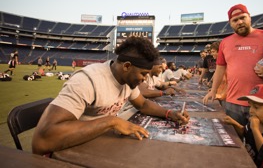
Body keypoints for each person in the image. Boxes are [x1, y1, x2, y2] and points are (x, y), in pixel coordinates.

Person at [32, 36, 189, 155]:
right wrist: (111, 122)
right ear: (127, 66)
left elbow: (143, 104)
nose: (145, 79)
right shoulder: (87, 80)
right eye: (143, 74)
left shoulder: (127, 81)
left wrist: (169, 113)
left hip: (98, 144)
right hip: (69, 151)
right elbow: (41, 141)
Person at [203, 4, 263, 126]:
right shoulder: (225, 43)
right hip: (233, 102)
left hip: (262, 103)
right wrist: (213, 90)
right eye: (235, 20)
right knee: (235, 139)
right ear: (230, 23)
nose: (240, 22)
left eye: (242, 18)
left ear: (249, 17)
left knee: (260, 141)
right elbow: (220, 68)